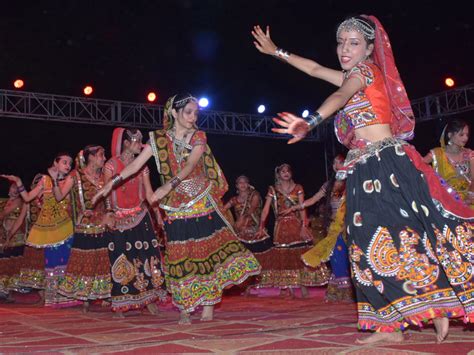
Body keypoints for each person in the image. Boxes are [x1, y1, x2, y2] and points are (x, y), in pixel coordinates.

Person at [253, 15, 474, 344]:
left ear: (370, 48)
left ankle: (432, 308)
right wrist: (277, 52)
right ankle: (395, 323)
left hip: (383, 163)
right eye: (341, 42)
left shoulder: (363, 72)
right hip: (366, 166)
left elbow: (340, 97)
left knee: (387, 236)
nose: (344, 49)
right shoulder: (354, 74)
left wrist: (309, 122)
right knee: (376, 239)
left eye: (354, 42)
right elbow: (314, 69)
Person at [94, 94, 261, 324]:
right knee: (180, 254)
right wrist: (110, 185)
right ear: (174, 113)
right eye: (188, 112)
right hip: (175, 205)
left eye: (195, 112)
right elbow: (134, 165)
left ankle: (209, 304)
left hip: (200, 200)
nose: (193, 117)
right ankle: (185, 306)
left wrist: (166, 186)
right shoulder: (158, 139)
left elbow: (191, 164)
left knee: (206, 253)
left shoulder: (198, 136)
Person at [104, 128, 167, 317]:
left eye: (141, 141)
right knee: (120, 259)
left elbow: (148, 192)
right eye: (137, 141)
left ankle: (148, 300)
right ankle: (121, 303)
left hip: (141, 217)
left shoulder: (142, 167)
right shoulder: (111, 165)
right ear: (125, 143)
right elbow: (107, 191)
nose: (141, 145)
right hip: (119, 218)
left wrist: (157, 214)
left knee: (148, 257)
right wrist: (109, 212)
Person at [1, 153, 78, 307]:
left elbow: (58, 197)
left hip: (63, 227)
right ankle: (51, 298)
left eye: (69, 163)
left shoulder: (69, 180)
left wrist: (55, 180)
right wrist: (19, 182)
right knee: (50, 264)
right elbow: (28, 197)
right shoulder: (44, 180)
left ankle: (66, 298)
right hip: (47, 228)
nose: (68, 166)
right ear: (55, 163)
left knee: (65, 262)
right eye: (64, 162)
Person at [284, 155, 354, 302]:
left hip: (350, 225)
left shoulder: (353, 182)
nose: (337, 165)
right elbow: (314, 199)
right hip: (333, 227)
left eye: (340, 162)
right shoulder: (328, 185)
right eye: (334, 162)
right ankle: (342, 292)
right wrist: (296, 207)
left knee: (351, 257)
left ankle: (351, 291)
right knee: (336, 256)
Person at [257, 164, 330, 297]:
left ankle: (303, 285)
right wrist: (261, 226)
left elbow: (302, 208)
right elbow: (266, 209)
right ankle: (285, 287)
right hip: (281, 226)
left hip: (296, 224)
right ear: (278, 175)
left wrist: (304, 225)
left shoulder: (298, 188)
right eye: (282, 171)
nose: (285, 173)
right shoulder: (273, 189)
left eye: (288, 171)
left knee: (299, 254)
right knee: (283, 256)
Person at [54, 146, 112, 312]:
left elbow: (109, 200)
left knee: (103, 260)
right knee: (84, 261)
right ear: (91, 157)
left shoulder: (103, 177)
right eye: (101, 155)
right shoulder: (75, 176)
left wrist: (110, 215)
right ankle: (83, 297)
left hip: (102, 225)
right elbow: (59, 196)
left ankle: (103, 294)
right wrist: (56, 178)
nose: (104, 158)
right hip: (84, 225)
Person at [223, 175, 272, 295]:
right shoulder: (234, 199)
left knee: (257, 258)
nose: (243, 185)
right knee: (242, 259)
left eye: (245, 182)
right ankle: (244, 286)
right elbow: (223, 209)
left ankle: (258, 284)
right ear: (236, 186)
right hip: (240, 233)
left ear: (248, 184)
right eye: (240, 183)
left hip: (255, 231)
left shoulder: (254, 195)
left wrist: (242, 219)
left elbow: (252, 208)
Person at [424, 119, 473, 208]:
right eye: (461, 135)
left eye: (467, 135)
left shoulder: (470, 154)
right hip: (447, 204)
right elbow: (418, 165)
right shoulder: (437, 154)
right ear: (450, 135)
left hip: (469, 202)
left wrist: (469, 197)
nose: (465, 138)